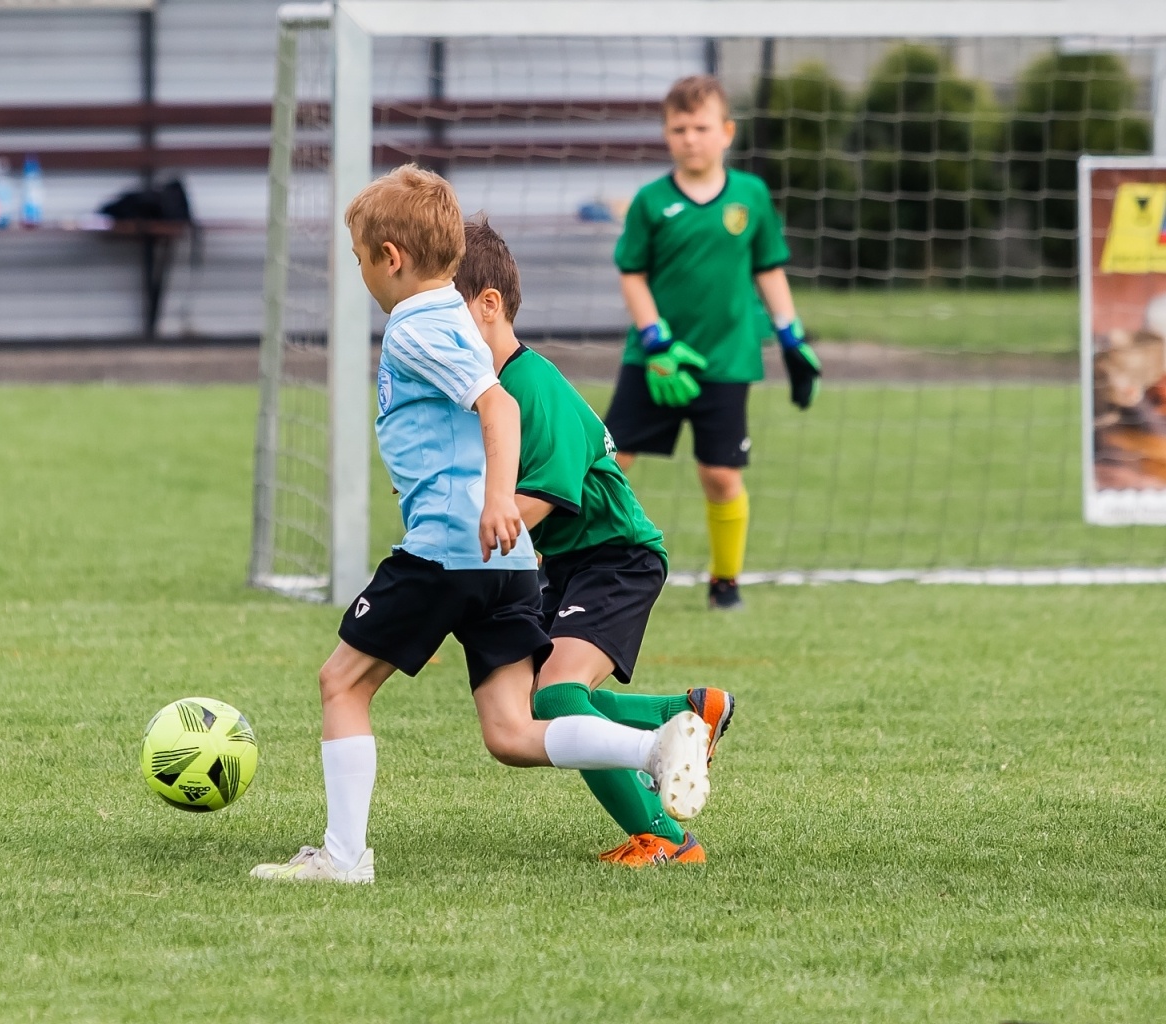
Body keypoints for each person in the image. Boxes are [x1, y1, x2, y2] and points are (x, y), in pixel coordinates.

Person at [251, 165, 711, 885]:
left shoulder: (414, 324)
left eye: (361, 258)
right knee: (512, 731)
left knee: (342, 683)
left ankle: (343, 859)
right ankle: (654, 745)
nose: (362, 274)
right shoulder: (457, 321)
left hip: (449, 550)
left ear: (392, 258)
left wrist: (499, 499)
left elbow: (499, 408)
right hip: (508, 566)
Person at [456, 216, 735, 867]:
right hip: (567, 565)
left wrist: (460, 539)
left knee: (554, 698)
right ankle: (686, 712)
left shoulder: (531, 387)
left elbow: (547, 497)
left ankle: (667, 838)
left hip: (617, 558)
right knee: (535, 705)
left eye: (445, 315)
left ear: (489, 305)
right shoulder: (489, 394)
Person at [604, 74, 821, 611]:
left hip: (726, 359)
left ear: (726, 132)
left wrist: (791, 332)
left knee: (720, 474)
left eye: (701, 127)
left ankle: (725, 583)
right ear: (666, 134)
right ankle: (554, 569)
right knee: (608, 463)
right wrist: (656, 340)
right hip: (654, 360)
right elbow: (631, 274)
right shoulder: (652, 202)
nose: (690, 138)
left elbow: (768, 268)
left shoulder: (751, 196)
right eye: (679, 128)